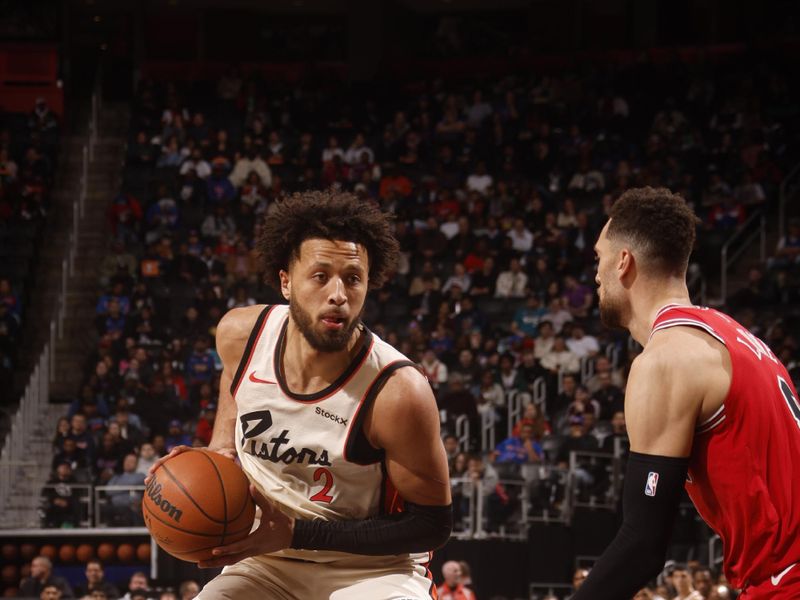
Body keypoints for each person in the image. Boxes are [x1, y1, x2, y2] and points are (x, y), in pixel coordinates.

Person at [147, 191, 451, 599]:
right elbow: (235, 384)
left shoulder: (397, 391)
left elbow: (432, 525)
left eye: (353, 278)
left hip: (372, 573)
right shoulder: (241, 335)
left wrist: (297, 532)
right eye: (321, 276)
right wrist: (219, 453)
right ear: (286, 282)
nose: (338, 294)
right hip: (267, 563)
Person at [572, 187, 800, 599]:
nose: (595, 273)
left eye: (598, 258)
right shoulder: (736, 338)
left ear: (623, 262)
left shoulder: (666, 359)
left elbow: (642, 543)